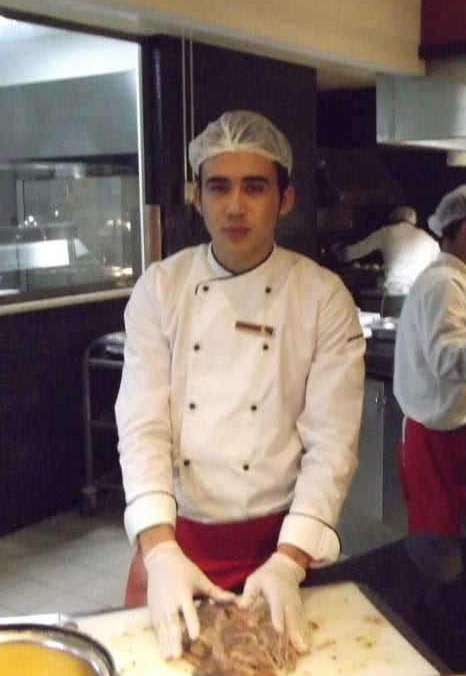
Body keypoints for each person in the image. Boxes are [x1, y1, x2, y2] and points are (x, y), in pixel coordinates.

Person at [114, 110, 366, 661]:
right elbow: (142, 426)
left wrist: (289, 561)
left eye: (254, 187)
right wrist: (159, 554)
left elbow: (332, 443)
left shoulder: (322, 297)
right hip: (177, 538)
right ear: (196, 197)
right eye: (218, 187)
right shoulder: (161, 289)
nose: (234, 206)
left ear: (285, 198)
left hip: (278, 545)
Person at [392, 183, 466, 537]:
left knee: (439, 540)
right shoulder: (446, 284)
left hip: (443, 436)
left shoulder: (454, 279)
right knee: (440, 544)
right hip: (438, 440)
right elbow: (447, 359)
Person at [331, 205, 440, 317]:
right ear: (414, 220)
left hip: (395, 294)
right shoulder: (429, 240)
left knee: (391, 327)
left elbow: (350, 253)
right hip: (420, 297)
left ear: (393, 218)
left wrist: (337, 249)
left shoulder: (386, 233)